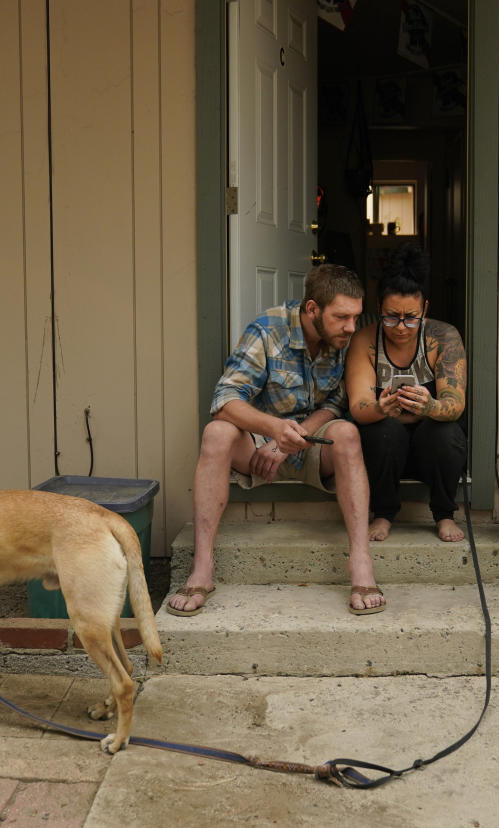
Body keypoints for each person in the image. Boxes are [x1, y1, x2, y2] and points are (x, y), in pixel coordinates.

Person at [166, 263, 386, 617]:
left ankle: (360, 564)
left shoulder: (345, 339)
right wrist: (273, 431)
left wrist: (294, 438)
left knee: (347, 433)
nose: (351, 327)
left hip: (314, 444)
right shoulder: (267, 330)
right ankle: (202, 570)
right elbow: (224, 399)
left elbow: (337, 402)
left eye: (355, 317)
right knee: (216, 432)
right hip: (258, 448)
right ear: (312, 309)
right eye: (342, 317)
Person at [345, 244, 467, 543]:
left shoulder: (443, 336)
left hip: (430, 447)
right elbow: (358, 406)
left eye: (410, 317)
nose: (401, 327)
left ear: (424, 309)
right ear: (379, 309)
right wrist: (381, 408)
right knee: (380, 431)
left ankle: (445, 513)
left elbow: (456, 405)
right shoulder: (365, 339)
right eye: (391, 317)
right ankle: (384, 512)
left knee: (446, 432)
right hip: (386, 449)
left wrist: (429, 406)